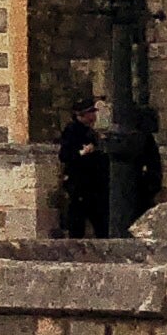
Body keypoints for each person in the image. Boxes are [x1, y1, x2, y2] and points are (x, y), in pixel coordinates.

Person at [55, 96, 108, 238]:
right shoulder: (72, 130)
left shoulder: (92, 132)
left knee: (100, 221)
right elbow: (65, 155)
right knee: (77, 221)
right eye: (90, 112)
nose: (93, 116)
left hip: (94, 183)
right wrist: (82, 152)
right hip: (79, 183)